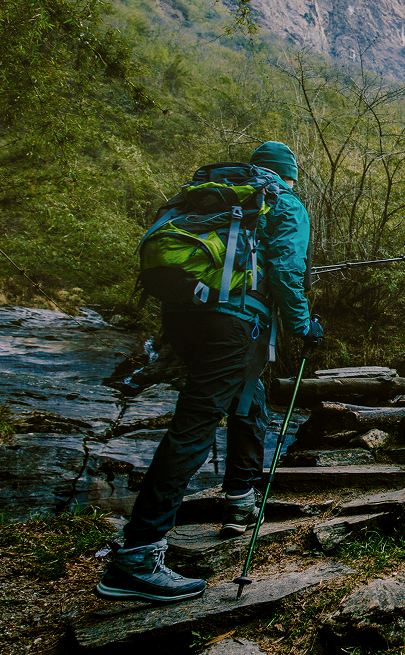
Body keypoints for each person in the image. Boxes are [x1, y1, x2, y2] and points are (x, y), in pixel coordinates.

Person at [97, 142, 322, 603]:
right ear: (288, 175)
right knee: (196, 424)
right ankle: (138, 554)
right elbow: (285, 268)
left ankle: (240, 495)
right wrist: (303, 325)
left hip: (184, 313)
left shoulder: (214, 193)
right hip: (232, 320)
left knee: (248, 395)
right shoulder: (284, 200)